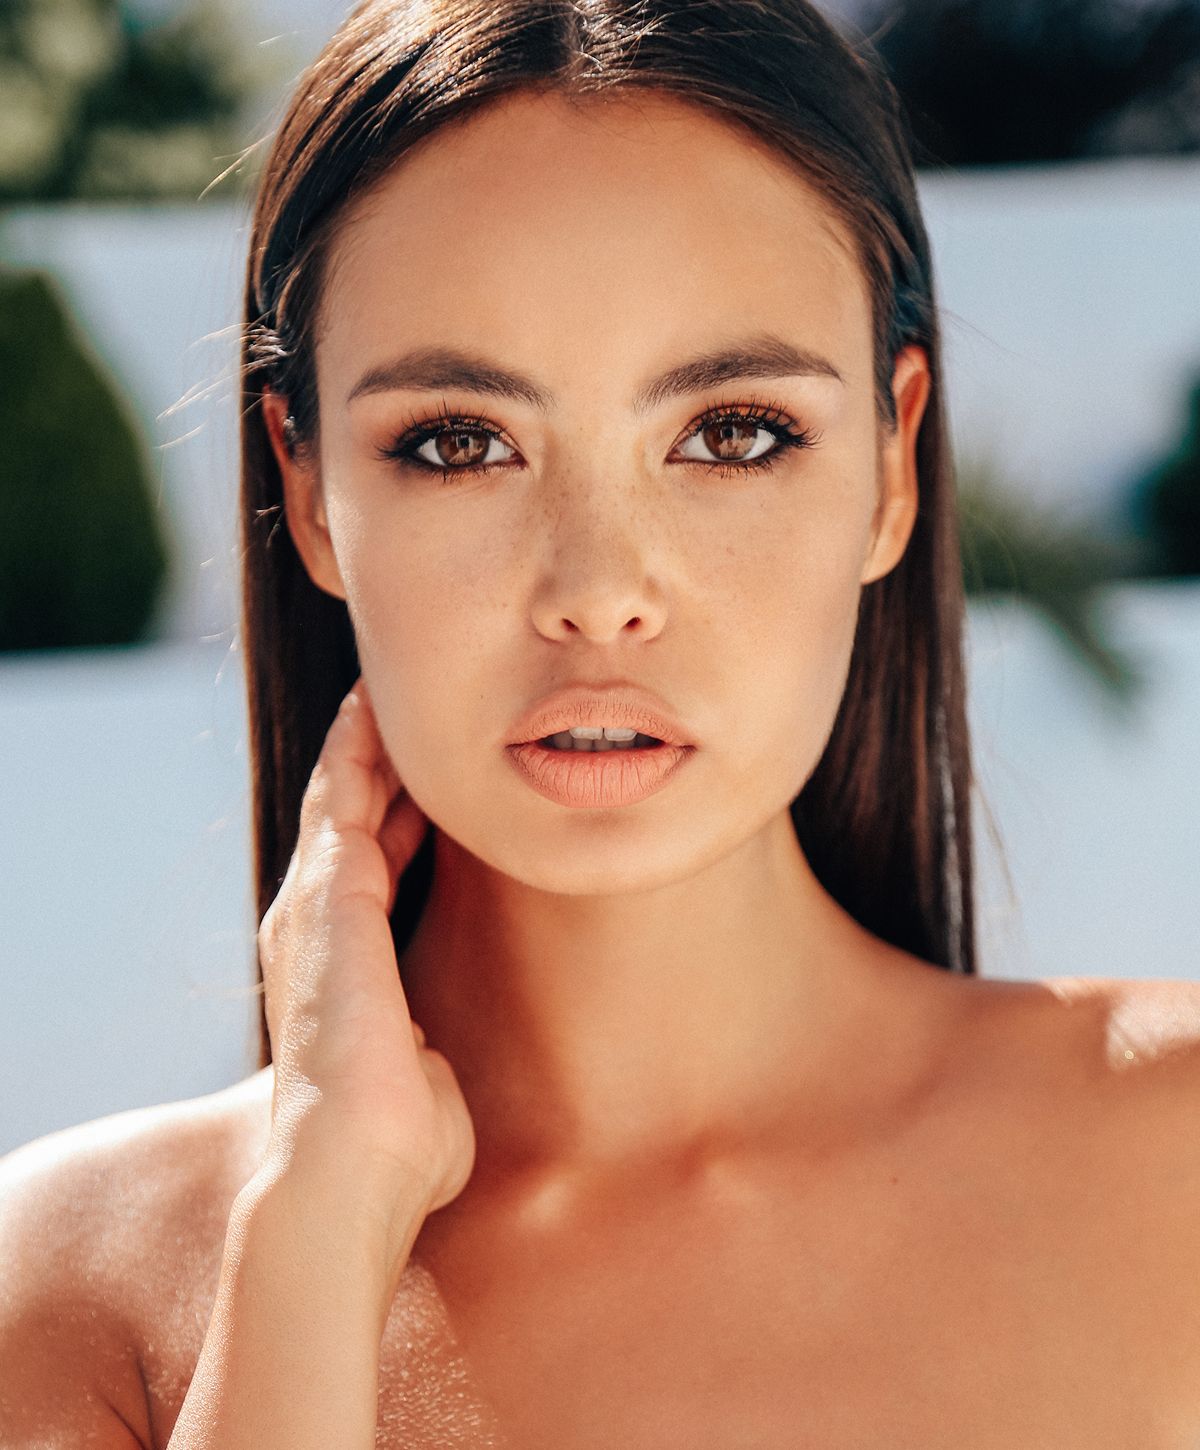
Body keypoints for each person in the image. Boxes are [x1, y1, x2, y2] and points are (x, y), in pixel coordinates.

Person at [3, 0, 1199, 1445]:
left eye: (732, 432)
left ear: (892, 467)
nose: (599, 592)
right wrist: (315, 1232)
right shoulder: (75, 1282)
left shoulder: (1171, 1157)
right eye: (460, 443)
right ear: (310, 492)